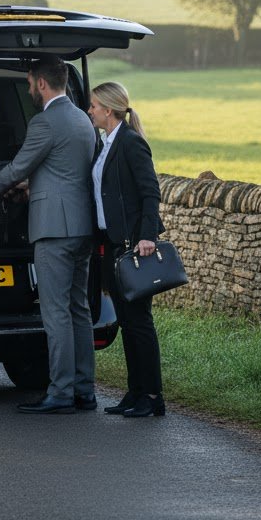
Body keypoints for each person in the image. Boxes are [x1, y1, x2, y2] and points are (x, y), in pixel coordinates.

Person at [0, 55, 97, 414]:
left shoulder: (45, 122)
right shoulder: (82, 119)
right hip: (82, 226)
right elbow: (64, 171)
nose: (28, 90)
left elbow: (19, 166)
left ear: (41, 83)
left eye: (27, 83)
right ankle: (84, 389)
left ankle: (60, 393)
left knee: (55, 313)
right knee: (78, 309)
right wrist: (32, 186)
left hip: (54, 228)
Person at [87, 81, 166, 419]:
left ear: (107, 109)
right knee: (127, 321)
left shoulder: (131, 144)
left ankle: (152, 395)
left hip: (135, 245)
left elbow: (151, 192)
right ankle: (135, 393)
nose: (89, 111)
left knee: (139, 322)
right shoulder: (105, 143)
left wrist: (147, 236)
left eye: (92, 106)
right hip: (112, 244)